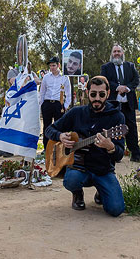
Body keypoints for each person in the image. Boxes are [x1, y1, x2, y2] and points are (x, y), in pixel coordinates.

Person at [45, 76, 126, 217]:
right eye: (93, 94)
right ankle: (77, 194)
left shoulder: (117, 117)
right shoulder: (77, 113)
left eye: (101, 94)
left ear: (108, 93)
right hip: (79, 168)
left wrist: (110, 147)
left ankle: (102, 190)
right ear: (87, 92)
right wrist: (60, 136)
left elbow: (119, 154)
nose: (97, 98)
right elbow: (49, 130)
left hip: (103, 170)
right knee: (71, 180)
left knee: (116, 209)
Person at [100, 44, 140, 161]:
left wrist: (127, 88)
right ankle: (115, 154)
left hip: (128, 103)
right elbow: (104, 80)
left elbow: (136, 80)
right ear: (112, 54)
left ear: (122, 53)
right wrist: (118, 87)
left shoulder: (130, 66)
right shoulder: (106, 67)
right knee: (112, 129)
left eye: (119, 51)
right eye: (115, 52)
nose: (117, 53)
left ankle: (135, 154)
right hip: (113, 103)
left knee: (132, 128)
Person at [39, 56, 71, 149]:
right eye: (50, 66)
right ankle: (46, 148)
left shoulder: (65, 77)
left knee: (59, 127)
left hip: (58, 104)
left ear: (59, 65)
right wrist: (42, 105)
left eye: (54, 65)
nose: (52, 67)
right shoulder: (46, 77)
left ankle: (57, 148)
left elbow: (68, 94)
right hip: (47, 103)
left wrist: (65, 106)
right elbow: (42, 92)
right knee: (46, 126)